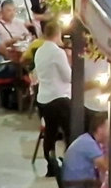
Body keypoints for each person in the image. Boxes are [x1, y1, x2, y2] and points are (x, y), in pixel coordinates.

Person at [33, 20, 72, 177]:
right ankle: (70, 166)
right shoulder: (58, 53)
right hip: (59, 97)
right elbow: (68, 76)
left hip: (44, 97)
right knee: (69, 133)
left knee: (50, 133)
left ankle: (50, 166)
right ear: (58, 34)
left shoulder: (39, 51)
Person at [61, 115, 108, 188]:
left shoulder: (86, 139)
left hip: (76, 182)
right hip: (78, 184)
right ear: (100, 129)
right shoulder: (89, 143)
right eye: (108, 128)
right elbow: (105, 166)